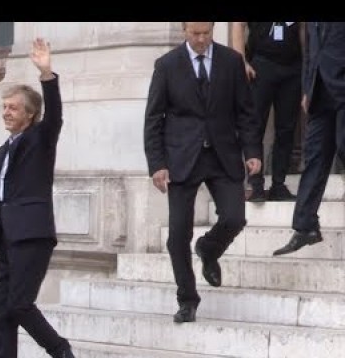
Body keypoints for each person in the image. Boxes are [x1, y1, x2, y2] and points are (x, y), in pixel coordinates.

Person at [144, 22, 262, 323]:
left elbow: (246, 112)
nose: (201, 39)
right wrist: (157, 164)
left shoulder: (232, 61)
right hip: (183, 158)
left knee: (235, 217)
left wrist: (252, 152)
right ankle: (187, 300)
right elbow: (154, 118)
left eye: (206, 33)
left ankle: (208, 249)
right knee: (177, 235)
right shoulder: (167, 65)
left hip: (223, 154)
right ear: (184, 30)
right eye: (195, 33)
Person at [0, 38, 75, 358]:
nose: (5, 112)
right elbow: (4, 202)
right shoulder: (5, 149)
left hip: (32, 235)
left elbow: (56, 114)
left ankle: (59, 349)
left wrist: (46, 74)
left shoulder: (40, 139)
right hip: (7, 239)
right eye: (4, 107)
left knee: (19, 304)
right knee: (1, 313)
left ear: (30, 115)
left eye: (13, 107)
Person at [273, 22, 345, 256]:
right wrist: (307, 87)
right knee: (314, 158)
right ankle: (306, 227)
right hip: (320, 92)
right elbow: (310, 49)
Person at [231, 22, 304, 202]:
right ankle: (255, 184)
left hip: (292, 66)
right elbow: (238, 25)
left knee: (287, 129)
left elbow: (302, 29)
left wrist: (306, 64)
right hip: (261, 64)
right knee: (255, 125)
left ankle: (279, 184)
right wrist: (241, 62)